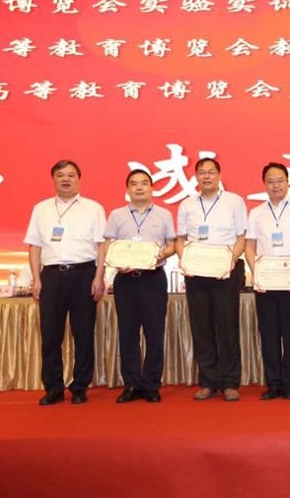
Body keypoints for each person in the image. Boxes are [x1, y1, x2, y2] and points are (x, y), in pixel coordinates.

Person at [25, 160, 106, 405]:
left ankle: (80, 386)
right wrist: (36, 279)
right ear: (53, 180)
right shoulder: (41, 209)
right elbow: (34, 246)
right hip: (51, 276)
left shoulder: (93, 208)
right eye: (60, 175)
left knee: (83, 333)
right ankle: (53, 387)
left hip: (84, 274)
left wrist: (99, 277)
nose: (66, 179)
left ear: (79, 179)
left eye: (71, 175)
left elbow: (102, 246)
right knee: (50, 335)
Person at [176, 158, 247, 402]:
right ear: (196, 177)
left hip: (225, 272)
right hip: (196, 273)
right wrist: (185, 261)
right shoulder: (187, 204)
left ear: (219, 175)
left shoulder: (234, 201)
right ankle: (207, 381)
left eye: (211, 172)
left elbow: (241, 237)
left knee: (227, 328)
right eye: (202, 172)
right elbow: (181, 239)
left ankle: (229, 382)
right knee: (201, 328)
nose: (206, 176)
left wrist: (230, 260)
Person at [245, 162, 290, 401]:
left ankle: (289, 384)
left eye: (280, 181)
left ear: (287, 182)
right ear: (264, 184)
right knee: (268, 333)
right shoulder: (256, 213)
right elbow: (250, 246)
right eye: (270, 181)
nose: (275, 185)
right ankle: (273, 383)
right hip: (266, 283)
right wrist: (256, 272)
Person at [104, 169, 176, 403]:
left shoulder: (164, 214)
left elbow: (172, 245)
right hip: (125, 280)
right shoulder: (116, 215)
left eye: (144, 183)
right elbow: (108, 245)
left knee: (155, 334)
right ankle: (132, 384)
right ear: (127, 189)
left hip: (153, 279)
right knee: (128, 334)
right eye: (134, 184)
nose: (139, 187)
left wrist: (160, 254)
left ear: (151, 188)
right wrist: (116, 261)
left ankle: (152, 384)